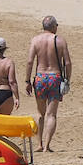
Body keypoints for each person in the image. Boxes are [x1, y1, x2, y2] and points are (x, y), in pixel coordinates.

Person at [25, 16, 71, 153]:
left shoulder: (35, 40)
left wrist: (27, 80)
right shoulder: (60, 41)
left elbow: (30, 62)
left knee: (40, 113)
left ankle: (39, 144)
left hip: (40, 77)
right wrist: (67, 79)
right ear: (53, 27)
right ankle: (47, 146)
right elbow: (67, 63)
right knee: (51, 114)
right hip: (54, 77)